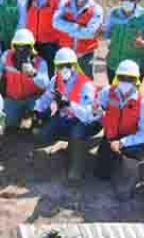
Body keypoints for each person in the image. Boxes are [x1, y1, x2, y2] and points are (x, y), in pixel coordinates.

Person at [33, 48, 101, 182]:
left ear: (74, 65)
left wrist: (69, 104)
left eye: (68, 65)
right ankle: (66, 144)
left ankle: (76, 167)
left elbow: (88, 114)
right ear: (56, 66)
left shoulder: (85, 84)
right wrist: (37, 110)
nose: (64, 69)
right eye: (60, 66)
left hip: (86, 122)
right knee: (41, 136)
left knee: (76, 134)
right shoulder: (55, 80)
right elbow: (46, 97)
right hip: (64, 117)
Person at [93, 60, 144, 200]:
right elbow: (96, 107)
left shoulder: (143, 102)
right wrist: (96, 111)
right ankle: (115, 162)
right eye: (122, 77)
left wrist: (123, 142)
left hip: (131, 141)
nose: (125, 81)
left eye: (130, 78)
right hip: (111, 137)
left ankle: (129, 172)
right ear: (117, 77)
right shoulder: (107, 92)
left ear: (136, 80)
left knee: (123, 191)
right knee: (101, 175)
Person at [0, 29, 49, 131]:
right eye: (18, 46)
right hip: (12, 98)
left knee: (42, 113)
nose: (21, 49)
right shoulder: (6, 56)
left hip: (32, 99)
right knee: (9, 124)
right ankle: (18, 114)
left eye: (25, 46)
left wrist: (34, 74)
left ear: (32, 46)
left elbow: (45, 85)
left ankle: (33, 117)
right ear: (13, 46)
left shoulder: (40, 62)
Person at [24, 0, 60, 77]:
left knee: (50, 72)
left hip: (50, 44)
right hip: (32, 43)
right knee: (33, 71)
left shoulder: (58, 0)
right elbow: (24, 19)